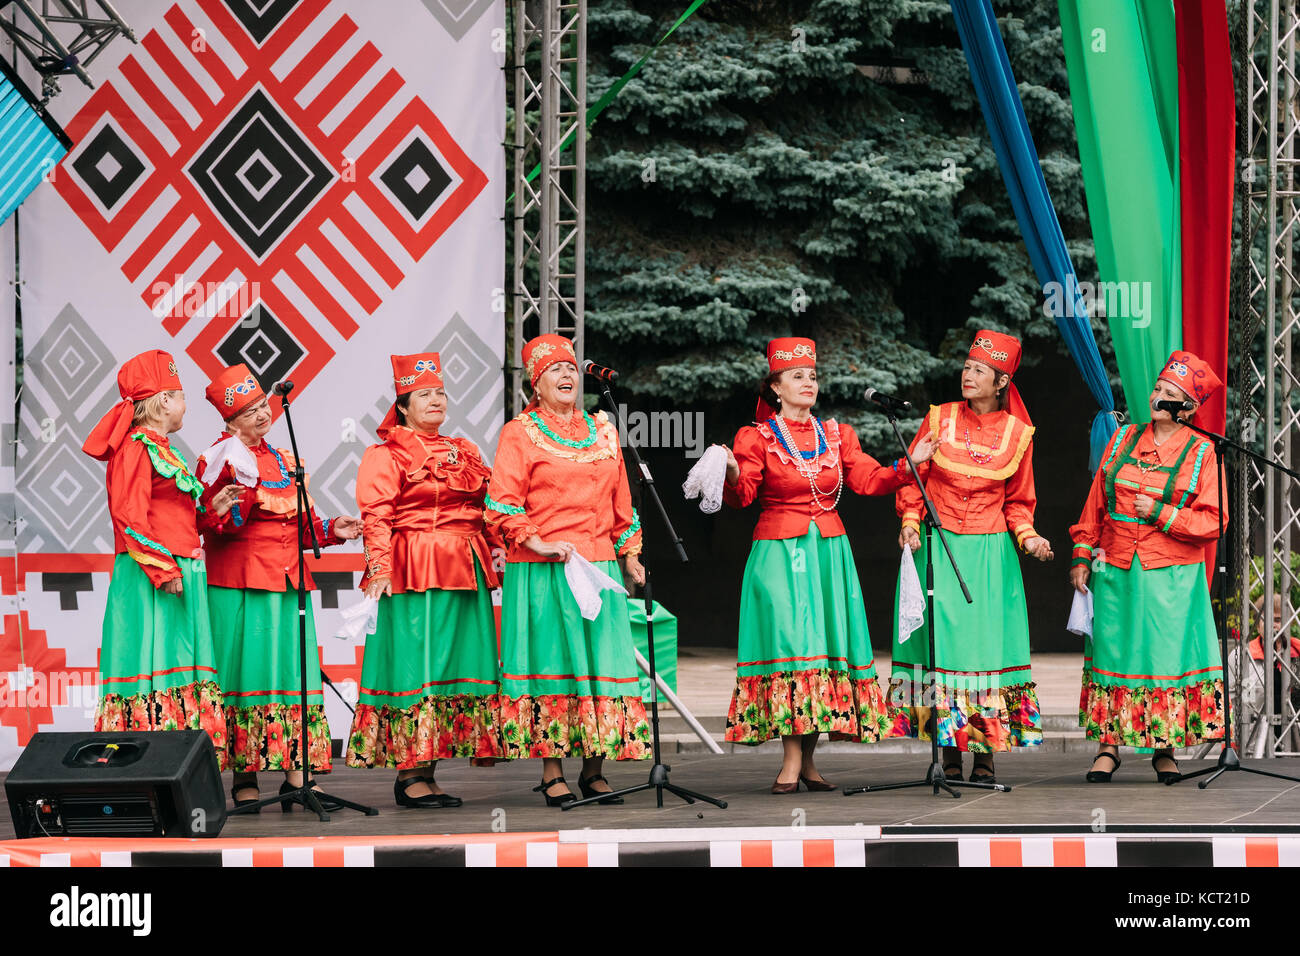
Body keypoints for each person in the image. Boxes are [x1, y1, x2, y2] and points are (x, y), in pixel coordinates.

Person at [720, 337, 932, 793]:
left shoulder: (838, 434)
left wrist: (907, 464)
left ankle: (808, 761)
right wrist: (732, 472)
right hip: (780, 554)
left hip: (829, 553)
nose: (808, 383)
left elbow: (869, 480)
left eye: (812, 375)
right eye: (797, 376)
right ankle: (791, 761)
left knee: (826, 651)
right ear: (776, 386)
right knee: (794, 650)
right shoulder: (755, 437)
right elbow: (742, 497)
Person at [485, 333, 649, 806]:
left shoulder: (604, 431)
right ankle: (552, 770)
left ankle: (594, 769)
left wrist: (631, 554)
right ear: (536, 384)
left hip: (598, 566)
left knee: (602, 663)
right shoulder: (521, 432)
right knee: (552, 664)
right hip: (545, 568)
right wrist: (535, 539)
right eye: (554, 370)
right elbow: (501, 503)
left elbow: (623, 502)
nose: (566, 376)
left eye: (571, 369)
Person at [196, 365, 361, 810]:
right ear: (229, 421)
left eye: (262, 406)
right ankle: (243, 778)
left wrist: (331, 529)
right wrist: (232, 501)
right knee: (242, 678)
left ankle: (298, 776)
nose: (261, 415)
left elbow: (298, 526)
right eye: (248, 411)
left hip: (289, 583)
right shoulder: (220, 458)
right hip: (241, 584)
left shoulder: (284, 460)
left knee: (295, 678)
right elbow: (214, 525)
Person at [891, 330, 1053, 784]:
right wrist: (909, 521)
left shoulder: (1019, 435)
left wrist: (1029, 539)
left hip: (989, 555)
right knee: (941, 649)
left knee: (984, 652)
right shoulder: (938, 418)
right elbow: (914, 478)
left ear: (1001, 382)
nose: (968, 374)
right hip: (939, 547)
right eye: (966, 366)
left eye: (979, 370)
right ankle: (947, 754)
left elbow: (1019, 502)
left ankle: (985, 755)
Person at [346, 353, 503, 809]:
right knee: (419, 663)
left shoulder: (465, 450)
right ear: (403, 405)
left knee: (455, 664)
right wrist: (379, 567)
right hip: (414, 564)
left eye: (440, 393)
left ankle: (429, 769)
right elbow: (376, 516)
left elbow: (489, 509)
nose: (436, 400)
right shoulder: (386, 454)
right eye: (424, 395)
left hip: (465, 565)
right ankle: (409, 772)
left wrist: (511, 548)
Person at [1071, 351, 1226, 783]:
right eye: (1158, 389)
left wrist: (1161, 512)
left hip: (1170, 575)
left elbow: (1213, 521)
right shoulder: (1122, 439)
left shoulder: (1202, 452)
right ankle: (1108, 746)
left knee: (1162, 658)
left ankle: (1165, 748)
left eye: (1169, 394)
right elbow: (1095, 504)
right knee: (1112, 652)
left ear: (1190, 408)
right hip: (1115, 566)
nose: (1157, 397)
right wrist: (1083, 555)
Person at [82, 350, 241, 764]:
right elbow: (128, 517)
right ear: (164, 400)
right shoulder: (136, 447)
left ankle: (176, 759)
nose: (185, 404)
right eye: (181, 395)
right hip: (152, 575)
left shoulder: (164, 449)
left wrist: (211, 510)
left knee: (179, 660)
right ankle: (148, 760)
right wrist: (162, 567)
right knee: (157, 659)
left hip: (178, 570)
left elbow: (177, 518)